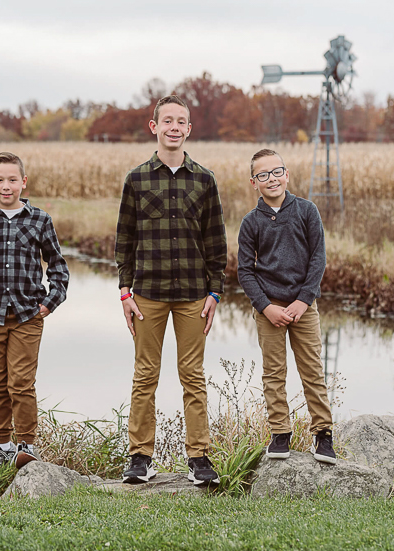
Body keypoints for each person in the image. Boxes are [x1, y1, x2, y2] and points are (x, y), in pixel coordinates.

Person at [115, 95, 228, 485]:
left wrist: (215, 293)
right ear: (155, 127)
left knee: (192, 375)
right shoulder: (137, 178)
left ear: (189, 129)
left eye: (181, 121)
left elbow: (216, 242)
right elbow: (124, 240)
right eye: (168, 121)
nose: (174, 127)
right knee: (145, 374)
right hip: (147, 292)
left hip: (194, 294)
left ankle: (199, 459)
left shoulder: (204, 179)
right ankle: (140, 458)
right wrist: (125, 292)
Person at [0, 151, 69, 469]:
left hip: (27, 314)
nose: (6, 186)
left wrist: (50, 302)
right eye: (0, 180)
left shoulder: (40, 220)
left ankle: (27, 448)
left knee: (22, 382)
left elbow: (58, 265)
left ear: (23, 182)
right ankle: (2, 447)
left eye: (12, 180)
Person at [237, 148, 336, 464]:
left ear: (287, 174)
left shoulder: (307, 211)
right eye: (263, 175)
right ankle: (280, 434)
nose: (272, 179)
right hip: (270, 309)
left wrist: (303, 301)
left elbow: (318, 258)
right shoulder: (251, 222)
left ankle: (323, 435)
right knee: (274, 373)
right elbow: (245, 270)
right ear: (255, 182)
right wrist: (266, 307)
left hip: (303, 306)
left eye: (277, 171)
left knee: (312, 369)